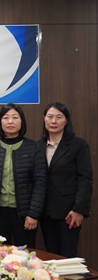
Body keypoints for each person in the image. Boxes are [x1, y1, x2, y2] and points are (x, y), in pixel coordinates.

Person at [0, 103, 46, 247]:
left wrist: (33, 214)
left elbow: (40, 183)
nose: (10, 121)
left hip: (24, 213)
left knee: (24, 254)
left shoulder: (34, 147)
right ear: (0, 121)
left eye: (15, 117)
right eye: (6, 117)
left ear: (22, 121)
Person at [40, 102, 93, 257]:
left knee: (68, 257)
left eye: (59, 117)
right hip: (45, 212)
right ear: (44, 119)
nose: (54, 121)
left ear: (66, 120)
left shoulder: (78, 145)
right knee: (51, 256)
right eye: (50, 117)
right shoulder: (38, 145)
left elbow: (85, 179)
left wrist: (79, 209)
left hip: (68, 212)